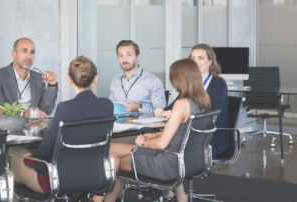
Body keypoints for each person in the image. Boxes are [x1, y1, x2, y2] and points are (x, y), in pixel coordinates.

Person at [94, 59, 211, 202]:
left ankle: (98, 200)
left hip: (166, 163)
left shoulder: (182, 104)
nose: (172, 82)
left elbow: (161, 144)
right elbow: (183, 134)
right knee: (112, 152)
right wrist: (155, 134)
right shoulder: (203, 102)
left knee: (112, 158)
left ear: (180, 79)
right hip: (186, 161)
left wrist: (143, 142)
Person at [7, 56, 113, 194]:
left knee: (12, 152)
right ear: (96, 78)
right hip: (95, 176)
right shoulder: (107, 105)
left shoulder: (66, 108)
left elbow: (46, 150)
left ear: (69, 79)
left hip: (57, 181)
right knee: (19, 174)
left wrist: (33, 158)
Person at [156, 43, 229, 157]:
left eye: (201, 58)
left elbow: (215, 113)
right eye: (193, 58)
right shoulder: (191, 84)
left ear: (210, 61)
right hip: (190, 134)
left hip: (210, 136)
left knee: (163, 146)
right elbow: (172, 106)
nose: (196, 62)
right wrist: (161, 111)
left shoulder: (218, 83)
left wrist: (179, 115)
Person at [0, 38, 58, 120]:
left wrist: (52, 85)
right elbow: (0, 110)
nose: (29, 56)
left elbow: (46, 111)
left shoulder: (38, 77)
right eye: (24, 51)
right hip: (8, 128)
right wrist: (23, 113)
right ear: (14, 54)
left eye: (32, 52)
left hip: (34, 127)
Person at [109, 40, 166, 114]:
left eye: (129, 55)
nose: (124, 59)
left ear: (138, 57)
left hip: (144, 125)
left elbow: (162, 113)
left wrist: (140, 107)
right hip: (118, 124)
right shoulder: (115, 81)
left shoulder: (153, 81)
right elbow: (110, 108)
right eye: (121, 56)